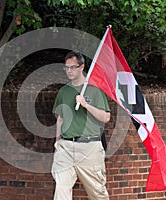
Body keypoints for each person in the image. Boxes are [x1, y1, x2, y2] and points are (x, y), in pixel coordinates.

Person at [51, 51, 111, 200]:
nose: (69, 71)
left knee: (97, 193)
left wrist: (86, 105)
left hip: (90, 147)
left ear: (81, 67)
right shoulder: (64, 91)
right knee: (61, 189)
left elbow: (106, 117)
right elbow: (60, 118)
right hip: (66, 147)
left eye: (72, 67)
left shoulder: (94, 89)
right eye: (66, 67)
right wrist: (57, 142)